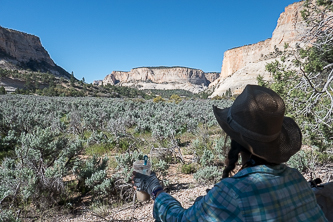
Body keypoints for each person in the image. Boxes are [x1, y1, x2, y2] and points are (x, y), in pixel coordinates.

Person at [132, 85, 327, 221]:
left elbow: (179, 219)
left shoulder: (233, 192)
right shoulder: (295, 177)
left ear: (235, 142)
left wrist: (155, 189)